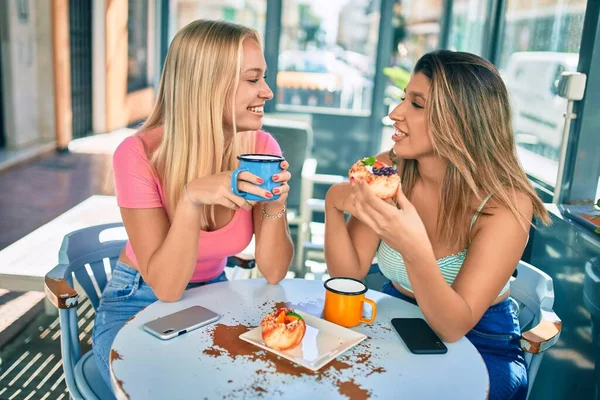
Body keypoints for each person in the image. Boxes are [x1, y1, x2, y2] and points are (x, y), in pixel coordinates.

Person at [324, 50, 550, 400]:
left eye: (416, 104)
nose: (395, 113)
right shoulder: (387, 170)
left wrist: (413, 246)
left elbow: (452, 325)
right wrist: (332, 207)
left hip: (480, 339)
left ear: (461, 121)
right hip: (393, 316)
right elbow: (349, 276)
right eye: (403, 99)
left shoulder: (506, 203)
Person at [93, 20, 294, 385]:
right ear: (208, 85)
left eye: (264, 78)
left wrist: (277, 203)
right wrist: (190, 200)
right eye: (253, 79)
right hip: (138, 300)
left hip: (214, 295)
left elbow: (275, 271)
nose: (267, 91)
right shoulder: (138, 155)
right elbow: (167, 289)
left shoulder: (262, 150)